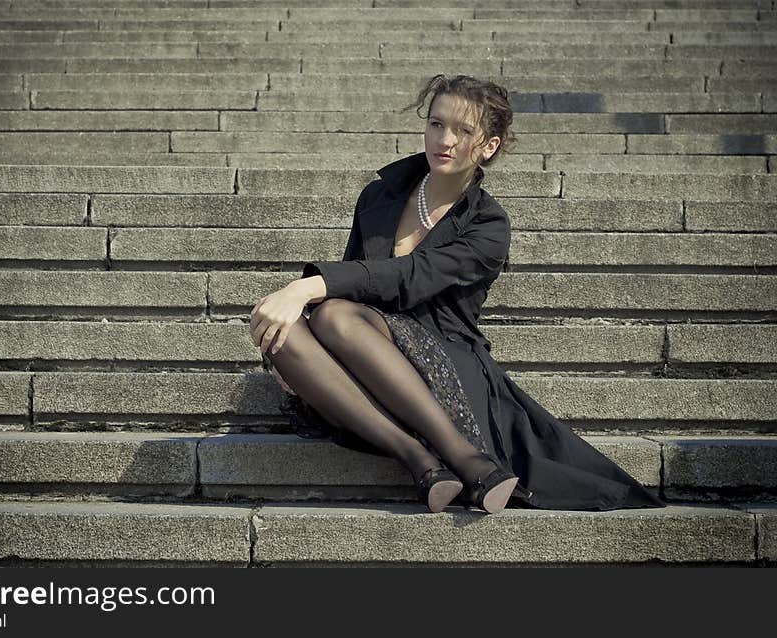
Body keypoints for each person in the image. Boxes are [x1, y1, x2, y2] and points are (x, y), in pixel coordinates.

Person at [249, 74, 667, 515]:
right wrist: (295, 351)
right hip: (371, 350)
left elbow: (411, 275)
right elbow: (361, 277)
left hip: (448, 358)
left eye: (463, 131)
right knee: (289, 329)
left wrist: (308, 285)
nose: (444, 139)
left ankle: (465, 456)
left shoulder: (488, 225)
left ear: (487, 145)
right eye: (435, 124)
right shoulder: (380, 195)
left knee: (331, 314)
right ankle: (423, 461)